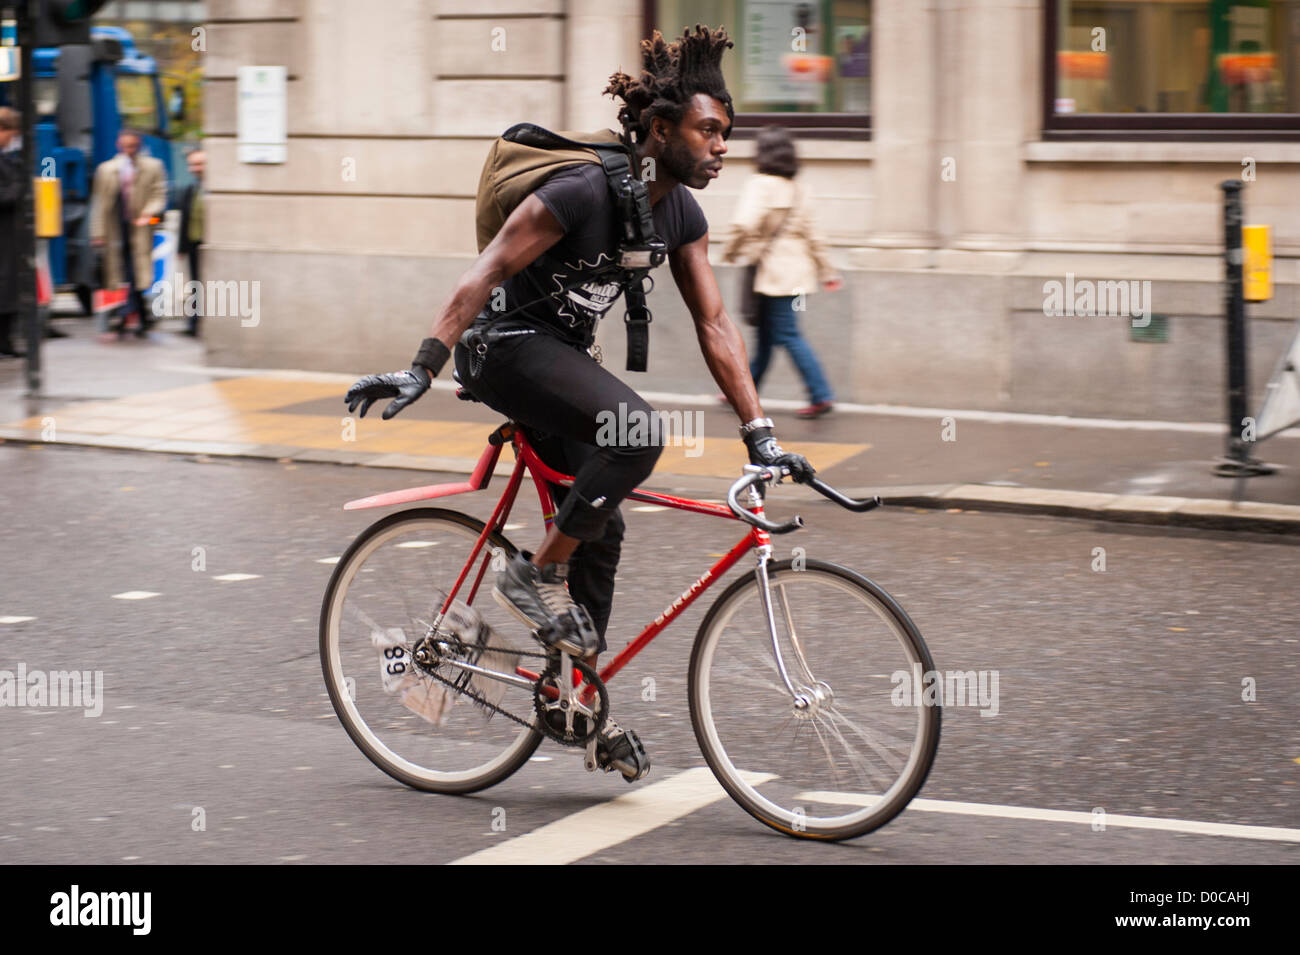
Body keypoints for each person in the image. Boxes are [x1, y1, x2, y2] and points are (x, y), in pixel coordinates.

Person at [345, 25, 816, 782]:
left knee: (604, 526)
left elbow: (715, 323)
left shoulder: (680, 214)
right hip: (502, 347)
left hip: (559, 359)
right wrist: (422, 367)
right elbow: (486, 268)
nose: (723, 146)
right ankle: (531, 574)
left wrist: (759, 432)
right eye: (709, 130)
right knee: (637, 432)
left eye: (726, 133)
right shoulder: (582, 190)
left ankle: (576, 705)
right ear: (661, 130)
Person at [723, 126, 842, 418]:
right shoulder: (801, 189)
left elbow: (743, 223)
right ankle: (742, 391)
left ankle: (821, 394)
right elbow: (815, 236)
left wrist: (731, 252)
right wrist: (828, 271)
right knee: (766, 337)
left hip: (773, 275)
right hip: (796, 275)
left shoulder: (760, 184)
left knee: (787, 335)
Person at [89, 129, 167, 339]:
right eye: (125, 146)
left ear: (139, 145)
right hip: (116, 228)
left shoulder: (154, 166)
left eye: (132, 146)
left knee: (136, 271)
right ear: (118, 145)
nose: (129, 150)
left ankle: (126, 314)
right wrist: (97, 232)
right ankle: (139, 315)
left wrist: (148, 213)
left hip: (141, 228)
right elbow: (99, 204)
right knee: (122, 272)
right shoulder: (106, 170)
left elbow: (159, 195)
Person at [0, 107, 24, 357]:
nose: (13, 138)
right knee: (5, 287)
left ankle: (6, 342)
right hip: (3, 234)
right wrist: (18, 187)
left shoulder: (10, 158)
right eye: (11, 133)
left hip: (10, 234)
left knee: (10, 288)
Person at [176, 148, 205, 337]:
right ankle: (194, 323)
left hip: (208, 244)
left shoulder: (214, 189)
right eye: (192, 164)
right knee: (196, 285)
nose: (195, 168)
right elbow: (184, 220)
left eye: (199, 163)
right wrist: (182, 247)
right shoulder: (190, 189)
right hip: (194, 243)